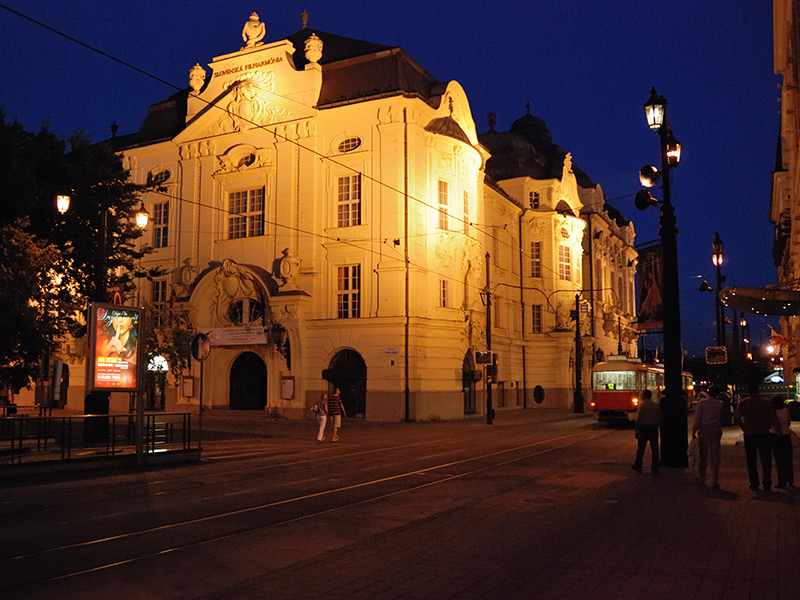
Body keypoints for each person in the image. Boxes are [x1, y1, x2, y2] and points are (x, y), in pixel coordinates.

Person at [734, 382, 781, 492]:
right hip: (765, 434)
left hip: (750, 434)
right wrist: (778, 431)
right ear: (758, 390)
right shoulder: (766, 403)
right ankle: (767, 483)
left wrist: (743, 427)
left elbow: (737, 416)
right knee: (766, 459)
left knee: (751, 460)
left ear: (749, 391)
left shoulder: (744, 403)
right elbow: (774, 418)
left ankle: (754, 483)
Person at [692, 385, 724, 488]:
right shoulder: (720, 404)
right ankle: (714, 480)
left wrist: (694, 430)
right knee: (715, 456)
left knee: (703, 455)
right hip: (715, 430)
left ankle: (701, 478)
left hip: (704, 430)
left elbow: (697, 418)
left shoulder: (701, 404)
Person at [632, 389, 662, 475]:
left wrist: (637, 430)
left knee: (641, 449)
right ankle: (655, 467)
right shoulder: (655, 405)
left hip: (644, 429)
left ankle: (638, 466)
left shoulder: (642, 406)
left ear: (644, 396)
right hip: (653, 429)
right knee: (655, 449)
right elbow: (660, 417)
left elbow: (638, 419)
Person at [771, 395, 794, 489]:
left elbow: (771, 424)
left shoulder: (773, 412)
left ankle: (782, 481)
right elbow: (788, 422)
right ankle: (790, 480)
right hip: (786, 435)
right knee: (788, 459)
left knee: (779, 460)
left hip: (776, 436)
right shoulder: (785, 411)